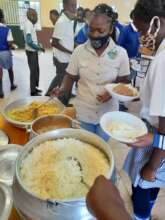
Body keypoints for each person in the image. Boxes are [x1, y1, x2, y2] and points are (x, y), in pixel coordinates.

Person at [52, 4, 130, 141]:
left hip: (108, 114)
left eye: (100, 31)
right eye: (91, 30)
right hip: (84, 112)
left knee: (100, 146)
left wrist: (112, 92)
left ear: (111, 29)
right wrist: (62, 92)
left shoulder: (121, 53)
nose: (94, 35)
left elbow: (124, 80)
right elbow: (70, 76)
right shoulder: (79, 52)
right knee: (84, 147)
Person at [123, 1, 165, 219]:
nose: (140, 37)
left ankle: (142, 215)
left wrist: (151, 166)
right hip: (155, 138)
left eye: (141, 29)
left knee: (144, 185)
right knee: (141, 186)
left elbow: (164, 127)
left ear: (155, 23)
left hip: (157, 147)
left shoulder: (163, 59)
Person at [46, 0, 77, 96]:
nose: (74, 8)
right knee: (63, 79)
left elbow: (67, 39)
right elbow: (54, 43)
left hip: (66, 57)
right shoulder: (61, 22)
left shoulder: (68, 21)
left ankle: (51, 94)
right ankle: (62, 99)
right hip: (62, 58)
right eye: (72, 6)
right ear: (64, 6)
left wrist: (74, 47)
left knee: (61, 77)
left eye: (75, 5)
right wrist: (70, 51)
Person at [23, 8, 44, 96]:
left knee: (35, 70)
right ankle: (33, 91)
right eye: (36, 15)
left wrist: (37, 45)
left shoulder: (30, 24)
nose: (37, 18)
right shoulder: (28, 24)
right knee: (33, 71)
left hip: (33, 51)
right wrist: (38, 48)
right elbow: (29, 41)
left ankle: (34, 88)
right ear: (31, 16)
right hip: (31, 52)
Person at [0, 8, 17, 98]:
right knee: (10, 69)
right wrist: (13, 47)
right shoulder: (6, 29)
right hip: (5, 52)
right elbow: (9, 43)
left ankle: (0, 91)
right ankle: (12, 85)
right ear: (2, 18)